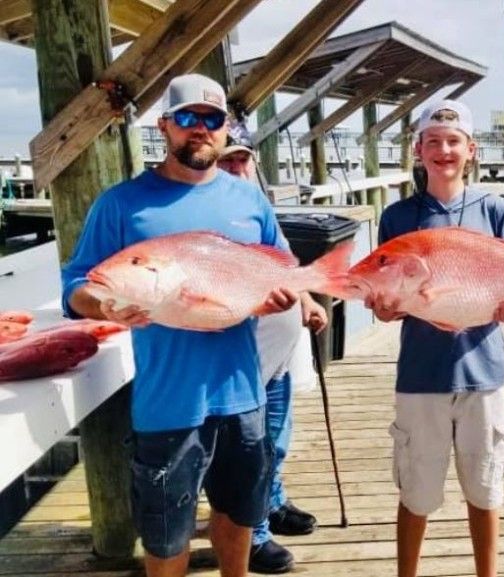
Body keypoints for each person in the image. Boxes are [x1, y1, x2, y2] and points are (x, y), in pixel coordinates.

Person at [62, 74, 296, 577]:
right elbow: (76, 285)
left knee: (239, 516)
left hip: (243, 395)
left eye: (211, 119)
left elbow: (284, 265)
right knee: (166, 533)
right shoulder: (122, 204)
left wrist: (287, 296)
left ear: (225, 127)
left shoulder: (249, 199)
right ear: (164, 126)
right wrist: (101, 306)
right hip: (168, 402)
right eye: (187, 118)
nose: (200, 129)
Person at [367, 100, 504, 577]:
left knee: (484, 489)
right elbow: (386, 299)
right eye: (432, 141)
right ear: (418, 150)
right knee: (416, 492)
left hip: (485, 372)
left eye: (453, 142)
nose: (443, 150)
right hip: (420, 375)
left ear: (470, 150)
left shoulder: (495, 209)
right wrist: (383, 307)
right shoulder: (396, 218)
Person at [216, 120, 324, 574]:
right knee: (251, 451)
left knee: (276, 443)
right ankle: (254, 533)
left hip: (279, 354)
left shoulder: (255, 204)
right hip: (243, 362)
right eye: (227, 160)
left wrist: (305, 296)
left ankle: (272, 504)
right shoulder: (212, 213)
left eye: (242, 158)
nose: (237, 167)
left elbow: (281, 262)